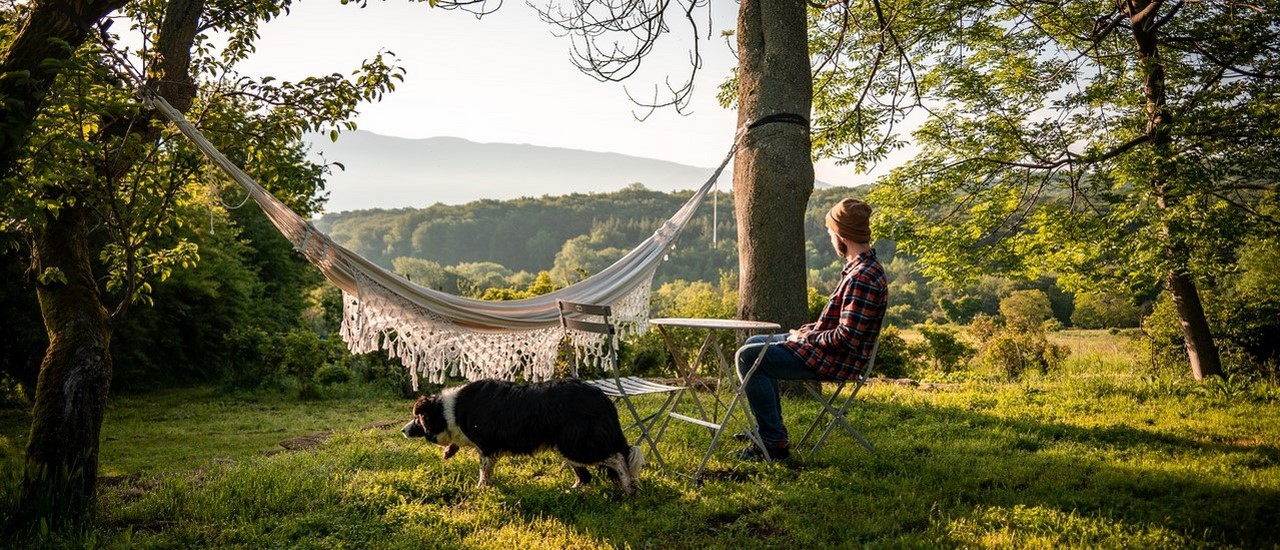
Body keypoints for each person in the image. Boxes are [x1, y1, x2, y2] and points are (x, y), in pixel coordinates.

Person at [735, 198, 888, 460]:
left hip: (837, 359)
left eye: (830, 233)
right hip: (825, 349)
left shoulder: (862, 277)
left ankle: (773, 443)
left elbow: (846, 338)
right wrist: (805, 333)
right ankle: (769, 431)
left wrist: (807, 337)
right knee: (756, 342)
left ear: (842, 235)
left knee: (749, 357)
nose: (830, 239)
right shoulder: (858, 268)